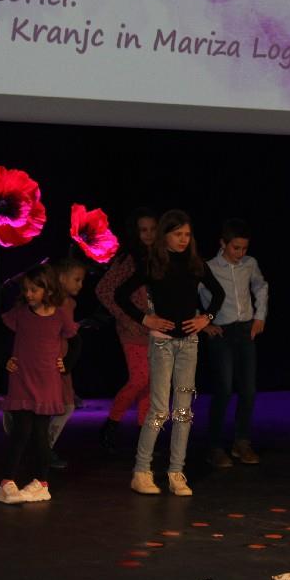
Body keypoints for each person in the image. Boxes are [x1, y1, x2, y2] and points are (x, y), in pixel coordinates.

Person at [115, 210, 224, 496]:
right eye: (178, 234)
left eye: (187, 235)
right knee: (159, 409)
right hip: (162, 344)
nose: (183, 239)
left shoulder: (195, 264)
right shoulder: (152, 264)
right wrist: (145, 319)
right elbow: (120, 294)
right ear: (165, 235)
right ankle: (141, 471)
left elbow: (219, 293)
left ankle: (176, 472)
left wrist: (205, 318)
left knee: (184, 411)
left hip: (188, 343)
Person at [0, 266, 77, 504]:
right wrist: (5, 359)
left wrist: (66, 364)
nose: (28, 294)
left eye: (34, 290)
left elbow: (76, 342)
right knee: (22, 430)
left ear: (48, 290)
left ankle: (42, 484)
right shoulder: (20, 313)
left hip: (47, 382)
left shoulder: (60, 315)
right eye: (26, 290)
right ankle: (6, 483)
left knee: (41, 433)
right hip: (22, 379)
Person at [201, 218, 270, 468]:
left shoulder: (249, 264)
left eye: (244, 248)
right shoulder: (208, 268)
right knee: (224, 389)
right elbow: (190, 295)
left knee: (248, 390)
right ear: (223, 243)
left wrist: (260, 316)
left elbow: (260, 287)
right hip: (222, 332)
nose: (240, 253)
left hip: (245, 330)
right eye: (235, 248)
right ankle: (214, 446)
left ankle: (241, 442)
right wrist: (203, 323)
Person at [95, 208, 157, 453]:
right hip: (133, 328)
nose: (149, 234)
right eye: (143, 230)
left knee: (151, 383)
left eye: (153, 229)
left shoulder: (160, 257)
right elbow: (103, 290)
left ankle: (144, 436)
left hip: (157, 328)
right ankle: (110, 425)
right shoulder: (129, 259)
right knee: (140, 379)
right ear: (135, 233)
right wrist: (125, 317)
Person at [45, 257, 87, 469]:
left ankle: (43, 447)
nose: (81, 285)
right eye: (76, 279)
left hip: (62, 363)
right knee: (55, 406)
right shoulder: (53, 302)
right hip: (50, 362)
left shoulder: (68, 303)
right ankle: (42, 449)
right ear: (62, 278)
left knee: (66, 406)